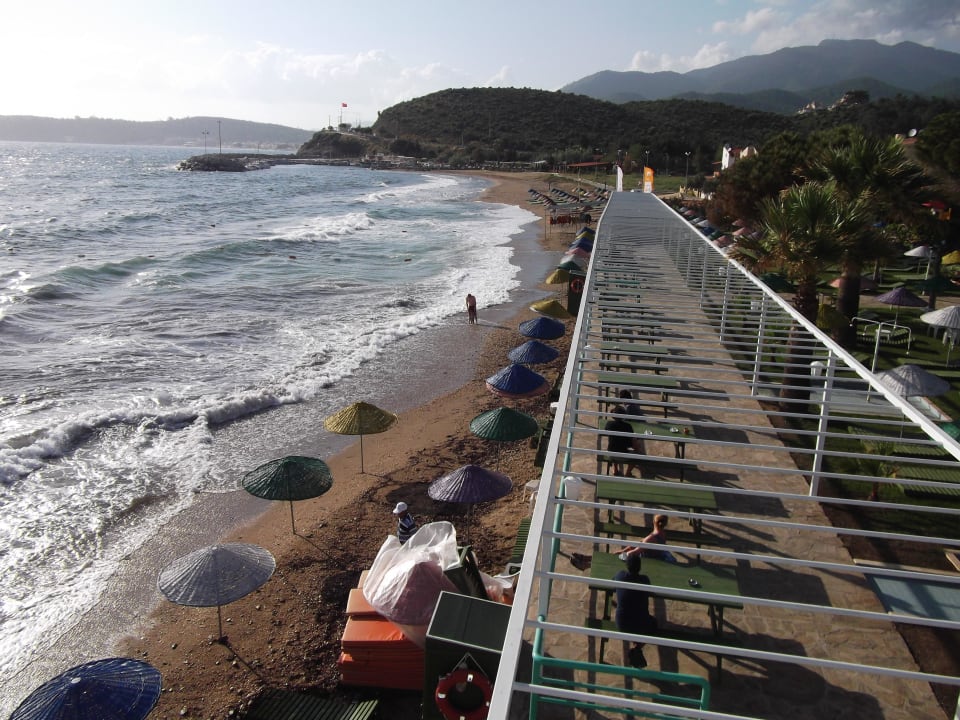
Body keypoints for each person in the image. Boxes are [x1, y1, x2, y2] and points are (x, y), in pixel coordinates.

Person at [614, 553, 657, 668]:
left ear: (627, 565)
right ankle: (638, 647)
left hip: (622, 624)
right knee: (654, 624)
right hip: (641, 625)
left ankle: (637, 647)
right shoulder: (645, 580)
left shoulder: (620, 576)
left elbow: (613, 586)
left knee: (637, 619)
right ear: (640, 567)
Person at [604, 405, 644, 476]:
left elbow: (605, 431)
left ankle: (615, 469)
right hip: (623, 455)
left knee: (614, 444)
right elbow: (634, 445)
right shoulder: (628, 426)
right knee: (638, 454)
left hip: (611, 453)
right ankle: (628, 473)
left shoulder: (609, 424)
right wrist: (637, 447)